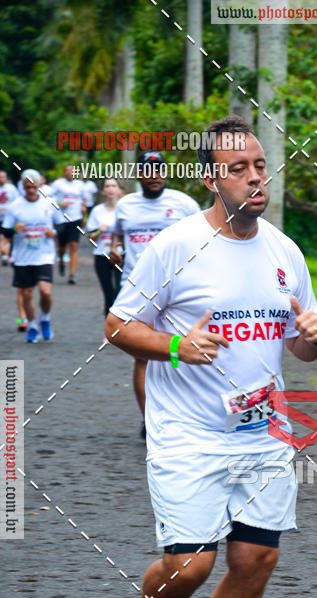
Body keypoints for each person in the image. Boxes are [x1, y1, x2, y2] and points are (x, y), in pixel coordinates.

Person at [103, 116, 317, 598]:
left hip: (264, 429)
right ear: (212, 179)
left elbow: (301, 346)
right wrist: (177, 347)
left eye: (260, 165)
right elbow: (118, 326)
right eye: (239, 169)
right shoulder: (175, 247)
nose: (255, 178)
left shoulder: (284, 250)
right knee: (190, 566)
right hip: (186, 431)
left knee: (255, 560)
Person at [109, 149, 199, 434]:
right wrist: (114, 249)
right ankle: (149, 420)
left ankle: (184, 414)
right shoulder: (126, 205)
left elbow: (204, 237)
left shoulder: (184, 204)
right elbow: (117, 235)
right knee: (144, 356)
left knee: (183, 351)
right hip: (138, 291)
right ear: (139, 175)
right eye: (148, 171)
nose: (154, 176)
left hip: (180, 290)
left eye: (159, 170)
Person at [1, 169, 62, 343]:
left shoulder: (49, 203)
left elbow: (63, 226)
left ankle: (45, 318)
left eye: (33, 187)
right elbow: (5, 230)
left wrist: (54, 232)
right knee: (27, 294)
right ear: (23, 186)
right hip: (22, 257)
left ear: (39, 185)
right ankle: (33, 326)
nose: (31, 190)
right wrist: (14, 230)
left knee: (45, 291)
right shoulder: (15, 207)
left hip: (44, 255)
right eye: (27, 187)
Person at [86, 178, 121, 315]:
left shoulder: (124, 209)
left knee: (120, 291)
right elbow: (90, 238)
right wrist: (99, 231)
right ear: (103, 191)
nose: (111, 189)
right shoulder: (97, 211)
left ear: (119, 189)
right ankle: (109, 332)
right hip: (101, 255)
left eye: (114, 186)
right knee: (109, 293)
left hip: (120, 256)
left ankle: (121, 331)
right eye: (107, 186)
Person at [48, 164, 86, 283]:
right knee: (62, 247)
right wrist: (59, 203)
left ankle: (72, 275)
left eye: (72, 171)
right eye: (67, 170)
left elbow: (84, 199)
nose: (70, 173)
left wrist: (84, 210)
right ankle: (61, 261)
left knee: (74, 245)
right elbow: (48, 197)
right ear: (64, 172)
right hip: (61, 218)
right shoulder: (58, 184)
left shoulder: (80, 185)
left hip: (76, 218)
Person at [0, 169, 19, 267]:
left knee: (8, 236)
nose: (1, 179)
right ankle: (4, 254)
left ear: (6, 178)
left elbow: (17, 201)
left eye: (3, 177)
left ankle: (7, 255)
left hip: (8, 218)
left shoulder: (11, 188)